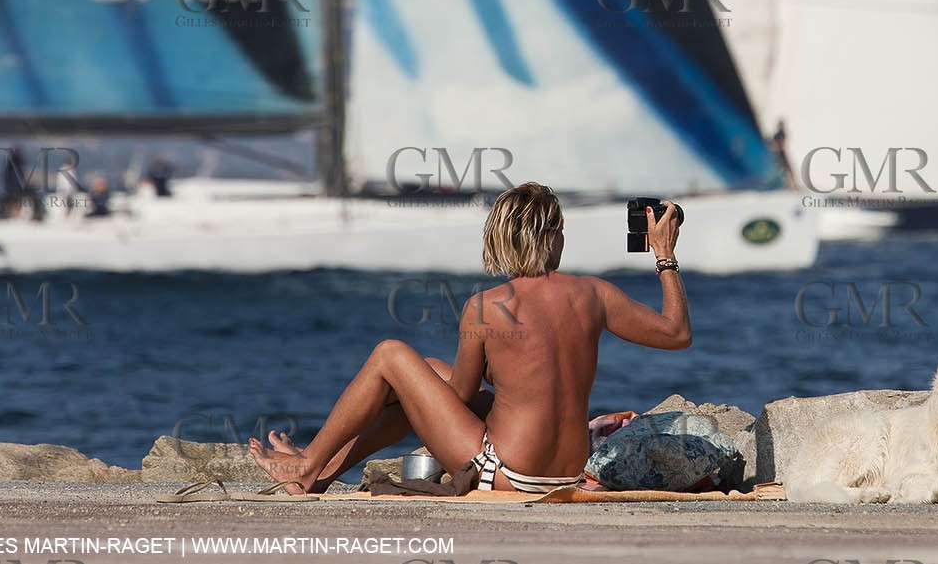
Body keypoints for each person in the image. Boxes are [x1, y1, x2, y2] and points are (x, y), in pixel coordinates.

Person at [247, 181, 689, 494]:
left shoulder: (486, 306)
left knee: (391, 357)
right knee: (425, 375)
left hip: (508, 471)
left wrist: (495, 374)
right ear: (553, 238)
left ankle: (307, 465)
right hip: (568, 472)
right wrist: (664, 256)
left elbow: (457, 395)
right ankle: (320, 472)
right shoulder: (595, 293)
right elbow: (676, 333)